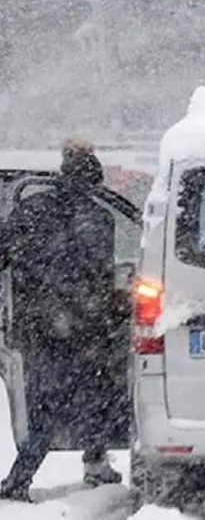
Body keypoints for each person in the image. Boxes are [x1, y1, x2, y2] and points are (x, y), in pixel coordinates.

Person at [0, 140, 123, 501]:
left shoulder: (30, 210)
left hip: (38, 326)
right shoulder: (101, 219)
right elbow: (103, 278)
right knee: (99, 397)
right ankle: (95, 464)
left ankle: (20, 479)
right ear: (95, 183)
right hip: (86, 329)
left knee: (44, 405)